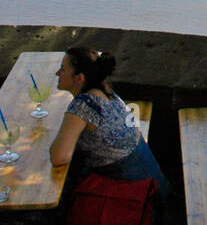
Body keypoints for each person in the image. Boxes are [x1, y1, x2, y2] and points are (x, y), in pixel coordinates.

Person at [50, 48, 171, 198]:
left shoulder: (84, 106)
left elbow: (59, 157)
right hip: (153, 181)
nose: (57, 73)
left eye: (62, 69)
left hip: (135, 193)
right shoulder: (104, 89)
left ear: (79, 78)